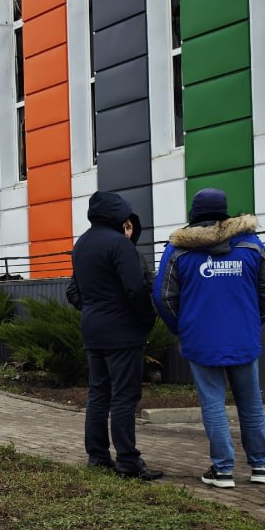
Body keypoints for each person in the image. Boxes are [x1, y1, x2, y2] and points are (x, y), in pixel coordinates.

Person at [154, 188, 265, 488]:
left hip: (201, 340)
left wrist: (182, 326)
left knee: (212, 403)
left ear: (193, 214)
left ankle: (223, 470)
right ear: (226, 212)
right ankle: (260, 466)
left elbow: (163, 297)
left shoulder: (179, 250)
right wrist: (253, 321)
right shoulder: (251, 244)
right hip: (243, 338)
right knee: (251, 404)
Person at [67, 191, 162, 481]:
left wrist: (95, 309)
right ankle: (128, 461)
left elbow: (77, 291)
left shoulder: (81, 244)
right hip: (122, 331)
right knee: (124, 395)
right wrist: (147, 320)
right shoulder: (120, 244)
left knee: (99, 393)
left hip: (93, 328)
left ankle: (97, 456)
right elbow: (135, 288)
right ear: (118, 214)